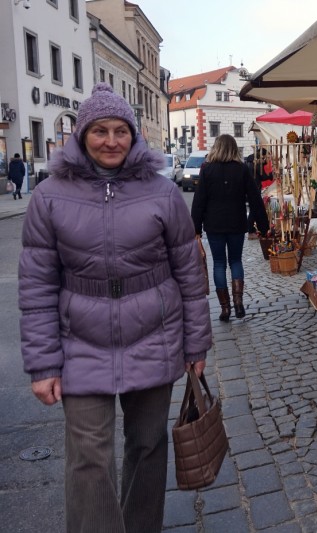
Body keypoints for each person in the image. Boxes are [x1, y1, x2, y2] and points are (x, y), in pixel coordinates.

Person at [17, 82, 212, 533]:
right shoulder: (50, 196)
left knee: (147, 446)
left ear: (133, 135)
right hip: (80, 342)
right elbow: (37, 285)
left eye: (120, 131)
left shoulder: (162, 193)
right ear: (82, 135)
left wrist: (195, 344)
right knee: (88, 458)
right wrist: (43, 364)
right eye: (100, 131)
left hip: (154, 335)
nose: (111, 141)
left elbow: (189, 274)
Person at [191, 134, 269, 320]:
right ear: (234, 149)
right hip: (236, 223)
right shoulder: (241, 169)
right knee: (236, 261)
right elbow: (255, 198)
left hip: (214, 225)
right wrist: (263, 226)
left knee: (219, 263)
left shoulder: (207, 169)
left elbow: (199, 201)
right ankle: (238, 303)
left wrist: (195, 228)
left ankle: (225, 308)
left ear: (216, 148)